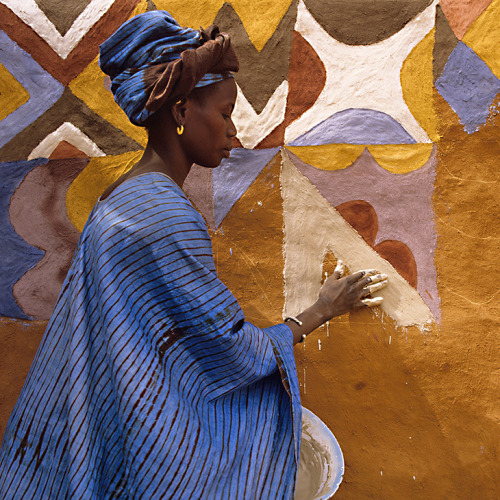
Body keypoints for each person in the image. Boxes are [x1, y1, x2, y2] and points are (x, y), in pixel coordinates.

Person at [0, 11, 387, 499]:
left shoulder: (123, 195)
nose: (234, 134)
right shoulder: (166, 214)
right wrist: (321, 310)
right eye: (225, 114)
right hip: (143, 437)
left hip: (105, 419)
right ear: (181, 111)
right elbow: (227, 347)